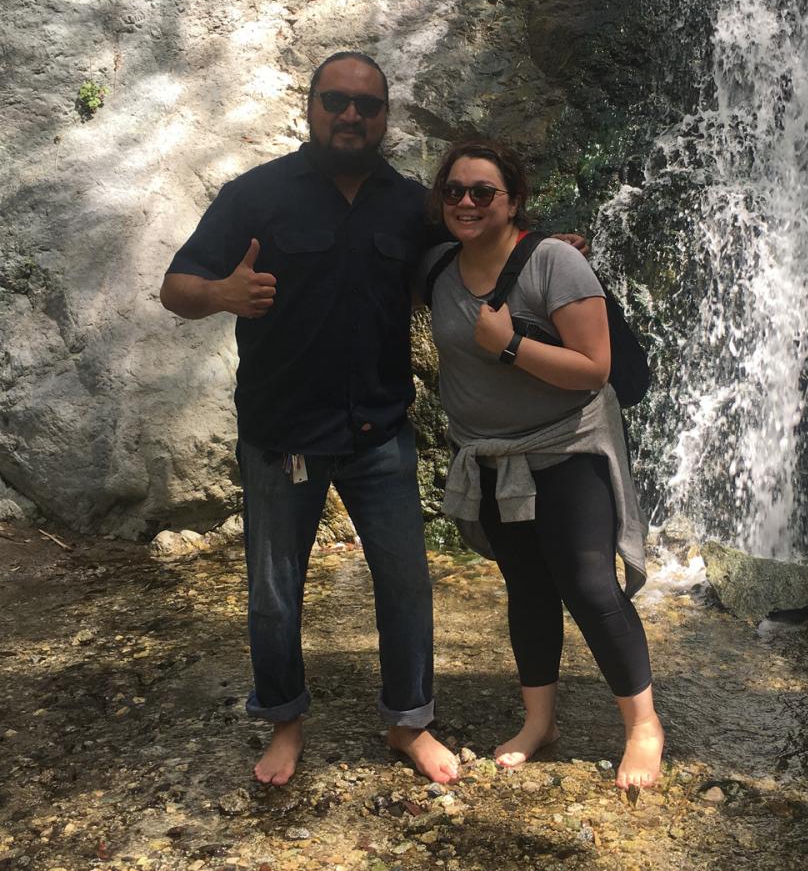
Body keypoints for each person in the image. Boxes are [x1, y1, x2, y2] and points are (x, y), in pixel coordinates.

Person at [159, 51, 461, 786]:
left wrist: (551, 252)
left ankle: (407, 722)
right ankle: (285, 721)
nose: (351, 115)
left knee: (405, 584)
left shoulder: (412, 205)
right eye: (336, 101)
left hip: (379, 431)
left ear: (385, 116)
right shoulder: (255, 196)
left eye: (367, 105)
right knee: (273, 590)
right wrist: (223, 292)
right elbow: (175, 287)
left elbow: (481, 255)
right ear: (312, 107)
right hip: (281, 434)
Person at [419, 140, 664, 789]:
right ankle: (540, 721)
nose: (467, 202)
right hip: (492, 458)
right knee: (527, 585)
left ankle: (643, 726)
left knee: (588, 584)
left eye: (483, 192)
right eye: (455, 192)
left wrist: (511, 345)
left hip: (567, 447)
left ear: (513, 200)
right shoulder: (438, 267)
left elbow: (595, 369)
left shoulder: (555, 263)